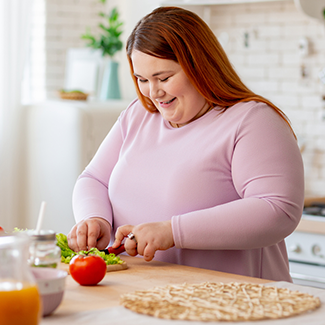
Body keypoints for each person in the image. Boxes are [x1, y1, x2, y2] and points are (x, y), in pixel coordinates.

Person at [67, 6, 304, 281]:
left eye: (164, 78)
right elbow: (94, 179)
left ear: (199, 66)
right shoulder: (138, 116)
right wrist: (95, 218)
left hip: (234, 306)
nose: (154, 92)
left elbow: (277, 210)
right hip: (143, 298)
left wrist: (172, 232)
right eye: (142, 79)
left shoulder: (252, 121)